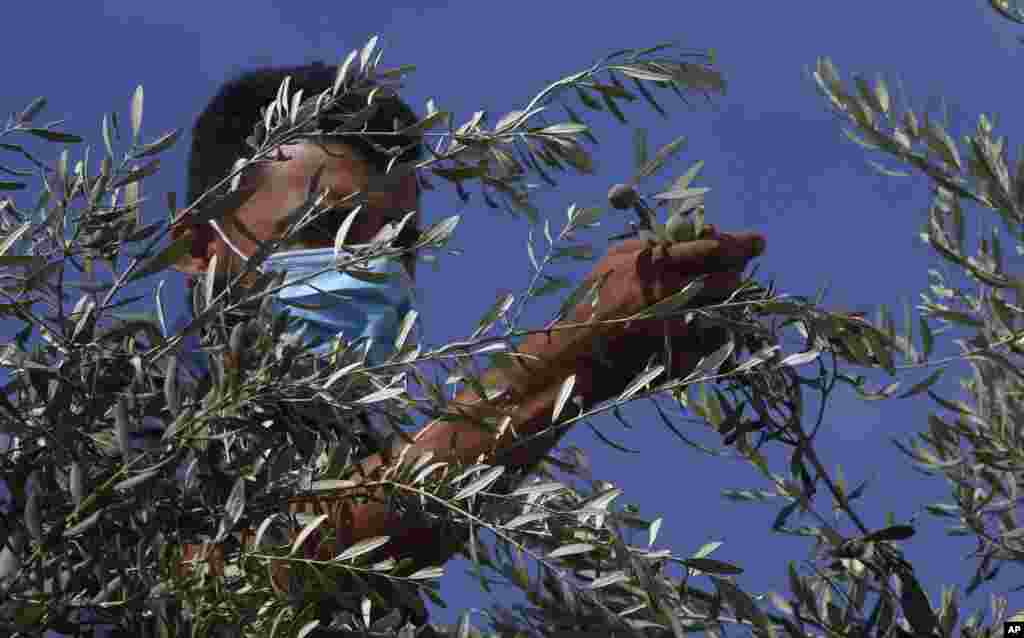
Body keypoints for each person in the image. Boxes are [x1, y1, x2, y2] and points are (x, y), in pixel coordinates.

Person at [40, 60, 767, 636]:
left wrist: (605, 361)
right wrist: (568, 359)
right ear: (201, 249)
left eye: (399, 244)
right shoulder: (103, 402)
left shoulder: (359, 442)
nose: (373, 267)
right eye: (324, 232)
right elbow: (221, 591)